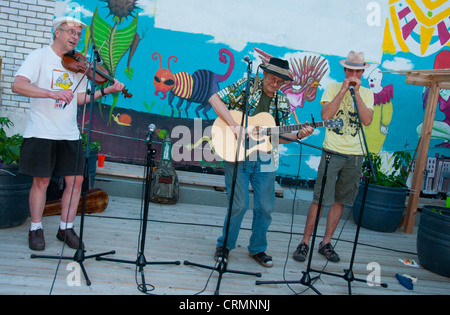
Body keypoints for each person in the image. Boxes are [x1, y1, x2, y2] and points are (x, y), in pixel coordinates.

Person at [12, 16, 125, 251]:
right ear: (57, 33)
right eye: (71, 32)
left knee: (76, 182)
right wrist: (51, 93)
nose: (75, 37)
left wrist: (106, 90)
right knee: (41, 182)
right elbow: (18, 85)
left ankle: (66, 227)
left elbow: (79, 98)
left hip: (69, 133)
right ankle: (36, 228)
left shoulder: (77, 63)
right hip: (41, 132)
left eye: (78, 34)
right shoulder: (39, 56)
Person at [209, 57, 314, 267]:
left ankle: (257, 249)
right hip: (236, 151)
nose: (275, 85)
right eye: (272, 79)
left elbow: (280, 136)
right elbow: (214, 99)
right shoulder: (247, 85)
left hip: (265, 156)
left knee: (265, 207)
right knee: (238, 205)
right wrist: (233, 125)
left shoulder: (282, 101)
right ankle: (225, 246)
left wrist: (300, 135)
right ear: (264, 74)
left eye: (279, 82)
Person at [293, 51, 374, 263]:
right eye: (351, 70)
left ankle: (326, 243)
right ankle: (305, 242)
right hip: (332, 151)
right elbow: (326, 116)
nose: (354, 74)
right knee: (320, 199)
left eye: (358, 71)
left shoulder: (366, 94)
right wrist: (342, 91)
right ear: (345, 71)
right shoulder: (331, 88)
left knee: (340, 201)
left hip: (355, 156)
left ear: (363, 73)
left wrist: (355, 94)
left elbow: (367, 121)